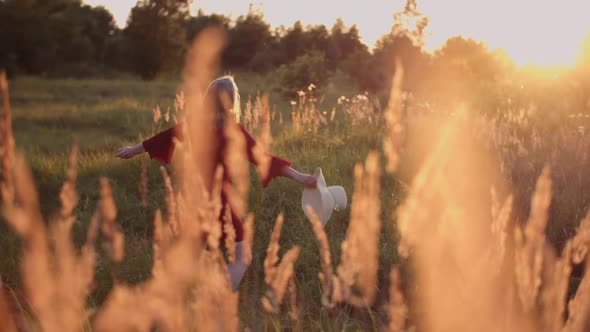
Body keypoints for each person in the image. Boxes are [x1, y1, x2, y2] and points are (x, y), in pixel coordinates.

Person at [116, 76, 316, 291]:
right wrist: (301, 177)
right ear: (232, 102)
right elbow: (265, 160)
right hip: (218, 200)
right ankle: (217, 298)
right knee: (242, 255)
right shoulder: (235, 132)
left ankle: (182, 297)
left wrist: (132, 150)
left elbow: (162, 138)